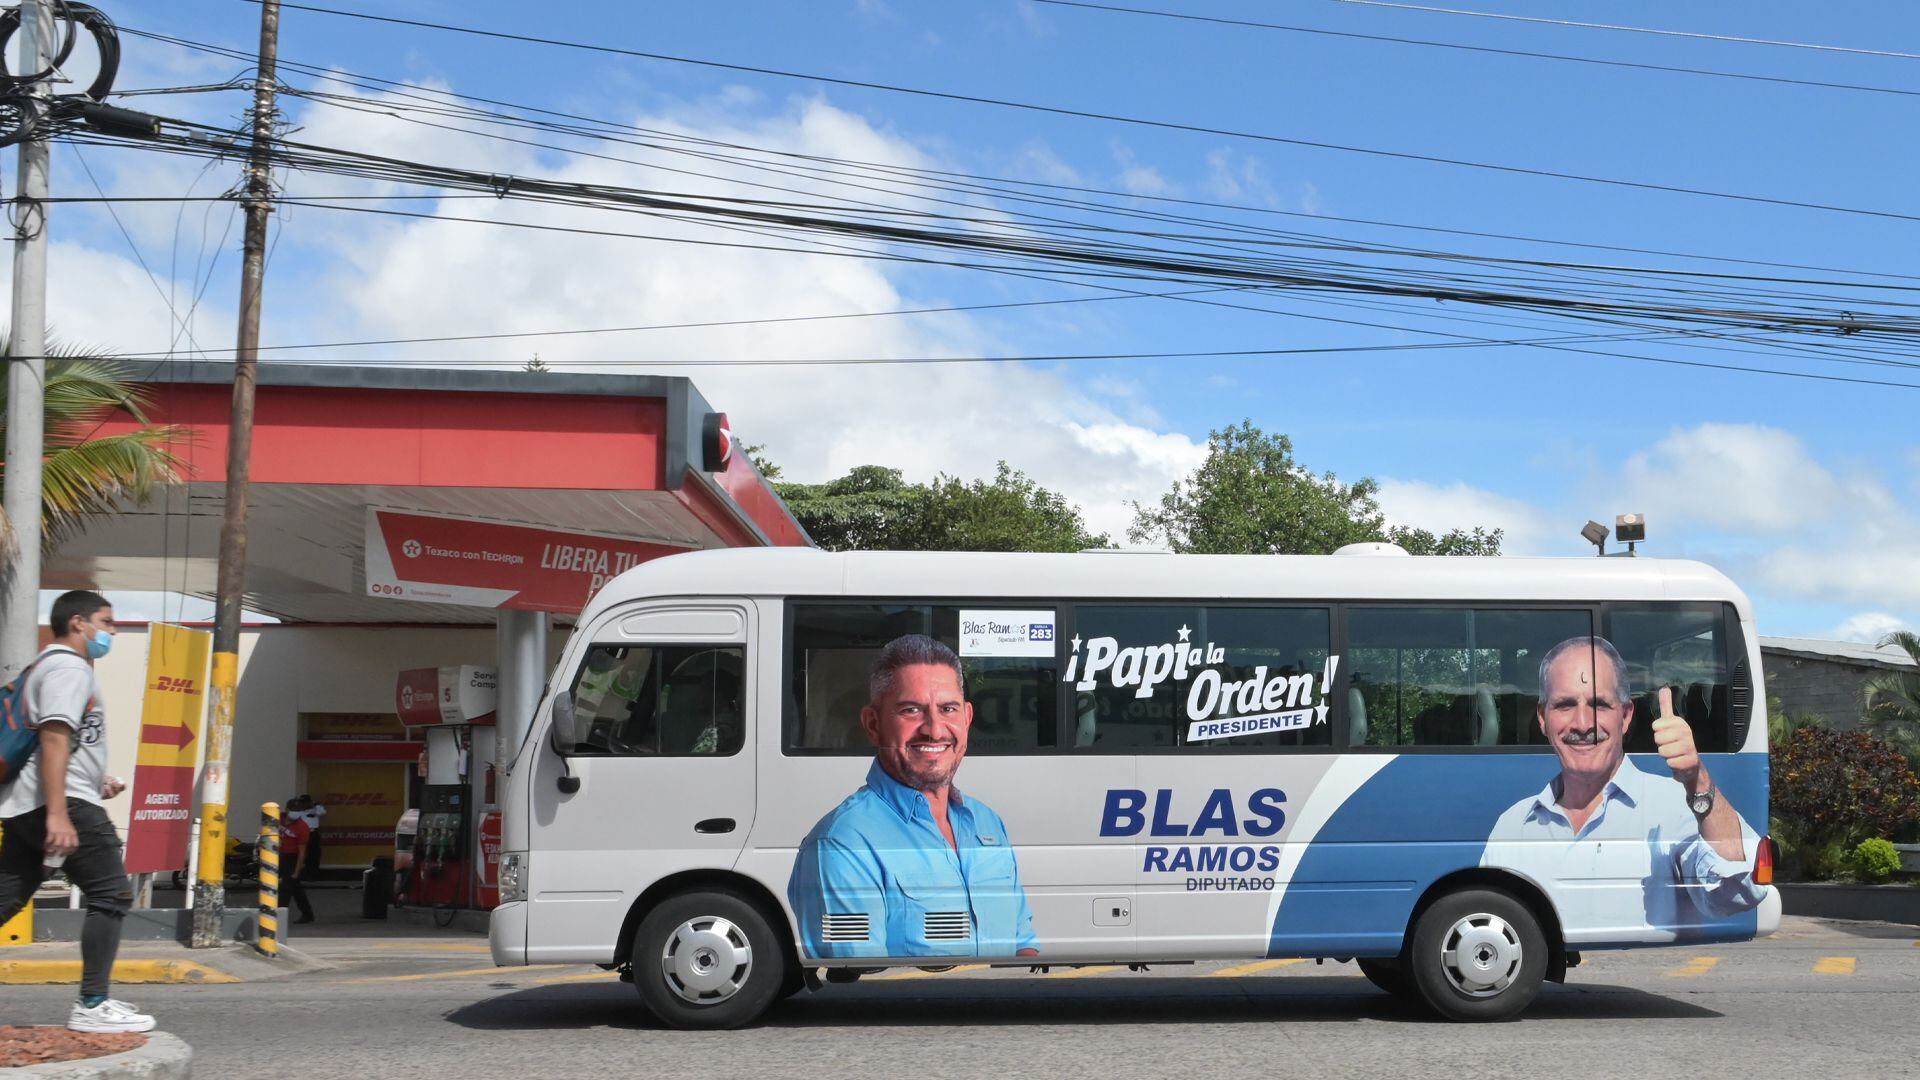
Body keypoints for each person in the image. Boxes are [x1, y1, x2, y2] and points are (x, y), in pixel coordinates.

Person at [1482, 635, 1766, 935]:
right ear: (1542, 718)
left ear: (1626, 716)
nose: (1582, 723)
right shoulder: (1511, 826)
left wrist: (1699, 780)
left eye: (1599, 704)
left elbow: (1737, 892)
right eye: (1565, 705)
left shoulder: (1675, 806)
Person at [789, 634, 1039, 960]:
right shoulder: (843, 843)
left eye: (947, 709)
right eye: (911, 710)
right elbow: (860, 985)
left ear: (967, 718)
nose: (934, 729)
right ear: (873, 724)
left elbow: (1023, 944)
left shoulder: (987, 823)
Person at [0, 591, 153, 1033]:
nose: (113, 631)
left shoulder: (47, 666)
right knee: (111, 895)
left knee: (5, 899)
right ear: (79, 623)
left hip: (36, 800)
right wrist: (59, 812)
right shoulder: (68, 667)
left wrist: (95, 780)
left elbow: (66, 743)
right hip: (59, 803)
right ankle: (92, 1005)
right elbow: (52, 737)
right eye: (107, 622)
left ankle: (94, 1002)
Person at [279, 797, 316, 924]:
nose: (295, 812)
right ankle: (307, 913)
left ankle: (279, 914)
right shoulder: (279, 818)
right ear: (287, 809)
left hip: (292, 858)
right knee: (295, 888)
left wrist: (297, 870)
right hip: (280, 855)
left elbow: (302, 852)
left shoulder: (302, 827)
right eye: (293, 810)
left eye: (298, 810)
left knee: (286, 888)